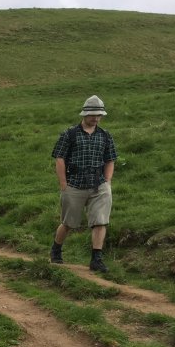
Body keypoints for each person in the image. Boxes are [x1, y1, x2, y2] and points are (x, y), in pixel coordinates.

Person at [50, 95, 117, 272]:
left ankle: (96, 259)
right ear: (85, 114)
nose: (96, 118)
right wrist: (63, 184)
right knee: (68, 223)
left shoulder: (105, 136)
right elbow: (59, 158)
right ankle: (56, 250)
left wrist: (107, 182)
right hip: (74, 184)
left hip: (99, 184)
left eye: (99, 115)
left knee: (100, 221)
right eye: (93, 114)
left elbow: (110, 159)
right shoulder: (69, 134)